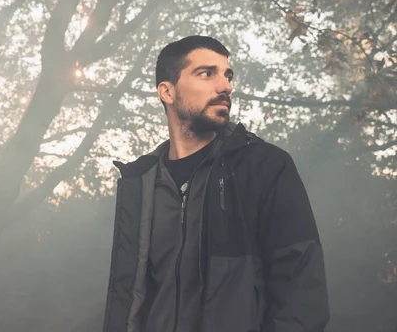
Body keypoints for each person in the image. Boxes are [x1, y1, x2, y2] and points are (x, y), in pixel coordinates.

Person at [102, 36, 330, 332]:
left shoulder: (265, 166)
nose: (225, 86)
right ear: (167, 92)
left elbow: (301, 296)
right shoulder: (141, 183)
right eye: (207, 73)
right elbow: (129, 299)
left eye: (227, 75)